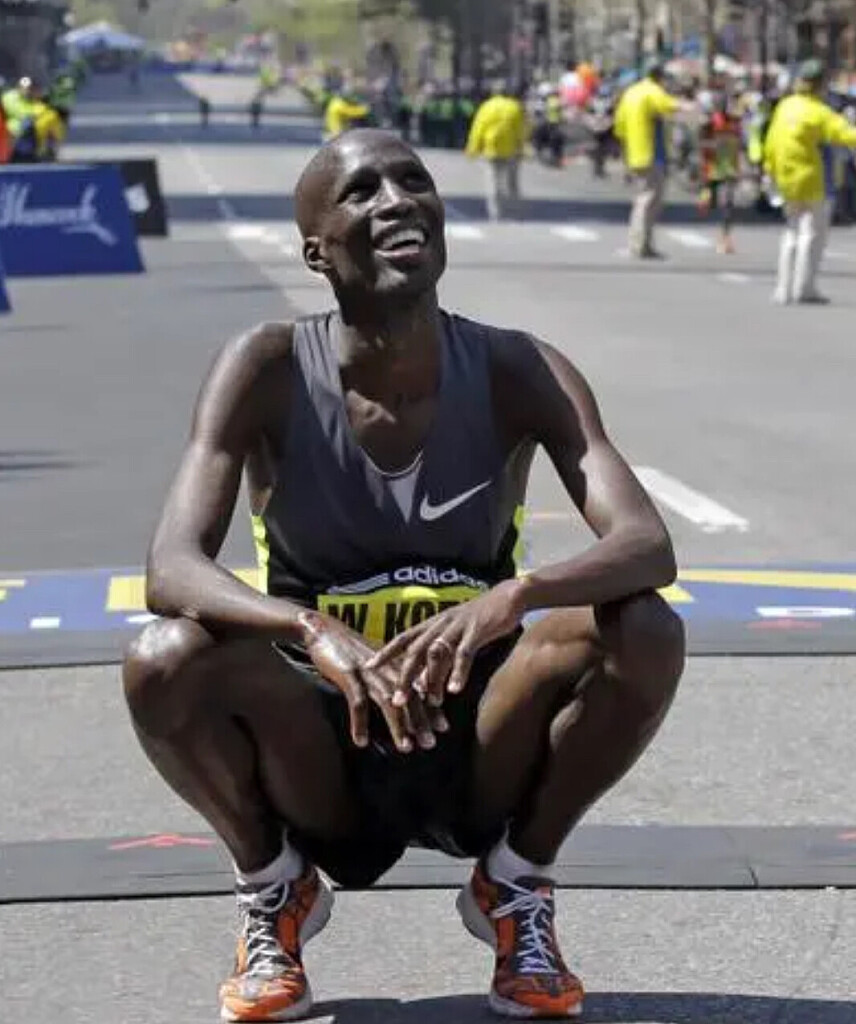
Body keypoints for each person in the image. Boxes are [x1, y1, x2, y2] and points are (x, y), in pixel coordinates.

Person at [122, 128, 685, 1023]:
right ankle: (275, 888)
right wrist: (310, 629)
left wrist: (513, 598)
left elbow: (646, 544)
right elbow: (172, 566)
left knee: (644, 625)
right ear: (317, 250)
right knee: (164, 657)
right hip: (326, 743)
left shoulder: (516, 365)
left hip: (475, 737)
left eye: (412, 181)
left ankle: (516, 884)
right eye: (362, 192)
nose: (395, 201)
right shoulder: (266, 366)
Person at [764, 59, 856, 305]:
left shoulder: (785, 107)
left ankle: (783, 289)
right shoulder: (818, 111)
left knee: (791, 233)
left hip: (786, 179)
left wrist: (770, 172)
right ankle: (804, 288)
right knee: (812, 235)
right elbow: (846, 134)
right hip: (813, 180)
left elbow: (770, 143)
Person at [614, 59, 691, 258]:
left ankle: (642, 244)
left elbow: (619, 126)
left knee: (644, 198)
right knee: (649, 200)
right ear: (659, 76)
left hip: (634, 153)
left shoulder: (630, 93)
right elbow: (668, 105)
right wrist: (689, 106)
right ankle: (639, 245)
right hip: (650, 154)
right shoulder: (651, 91)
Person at [466, 81, 529, 220]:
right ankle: (515, 211)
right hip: (511, 150)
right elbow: (522, 130)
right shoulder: (514, 107)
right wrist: (523, 147)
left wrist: (473, 148)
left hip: (491, 149)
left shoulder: (487, 107)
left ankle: (496, 212)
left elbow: (478, 129)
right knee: (513, 182)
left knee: (493, 182)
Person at [697, 91, 742, 254]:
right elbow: (702, 143)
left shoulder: (734, 122)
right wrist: (713, 144)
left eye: (724, 103)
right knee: (708, 204)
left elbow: (739, 144)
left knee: (728, 205)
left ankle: (725, 238)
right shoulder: (709, 122)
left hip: (729, 169)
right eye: (718, 103)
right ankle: (706, 198)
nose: (722, 106)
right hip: (712, 169)